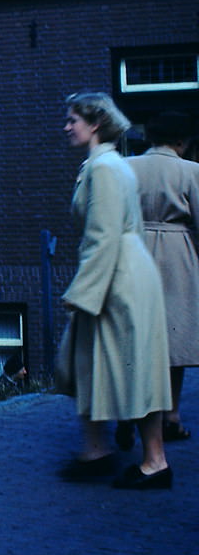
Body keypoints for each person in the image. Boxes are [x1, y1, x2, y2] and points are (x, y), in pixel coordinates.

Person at [57, 92, 172, 489]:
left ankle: (152, 461)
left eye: (74, 119)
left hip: (116, 277)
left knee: (126, 365)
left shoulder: (103, 169)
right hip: (126, 272)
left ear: (96, 124)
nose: (67, 126)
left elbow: (102, 235)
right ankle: (99, 449)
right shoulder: (111, 164)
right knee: (105, 362)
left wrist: (82, 292)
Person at [123, 111, 199, 447]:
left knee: (137, 338)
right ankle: (171, 416)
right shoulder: (191, 171)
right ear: (181, 141)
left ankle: (128, 414)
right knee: (175, 337)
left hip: (135, 250)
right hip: (176, 252)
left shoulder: (127, 167)